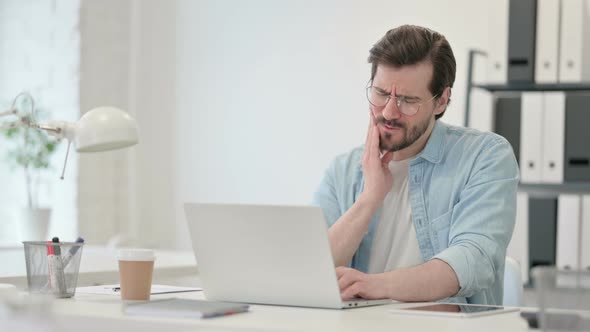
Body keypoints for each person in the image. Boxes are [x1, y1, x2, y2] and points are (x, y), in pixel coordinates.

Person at [313, 25, 519, 305]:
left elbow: (473, 259)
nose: (388, 112)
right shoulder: (344, 170)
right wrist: (370, 198)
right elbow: (312, 271)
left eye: (408, 101)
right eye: (381, 93)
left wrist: (375, 286)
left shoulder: (484, 157)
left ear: (441, 101)